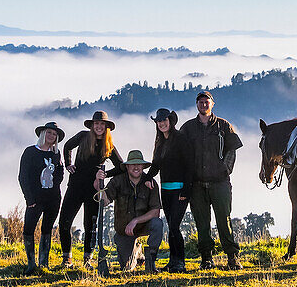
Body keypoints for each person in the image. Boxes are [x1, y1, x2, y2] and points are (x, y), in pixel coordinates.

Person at [180, 91, 243, 270]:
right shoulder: (188, 128)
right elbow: (181, 153)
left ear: (212, 104)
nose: (203, 105)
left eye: (206, 102)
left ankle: (232, 257)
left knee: (224, 220)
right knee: (202, 223)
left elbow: (232, 150)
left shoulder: (224, 126)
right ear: (196, 105)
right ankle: (206, 258)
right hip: (197, 184)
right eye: (200, 102)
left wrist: (225, 169)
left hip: (220, 183)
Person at [58, 110, 124, 268]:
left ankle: (87, 260)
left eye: (102, 124)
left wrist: (105, 174)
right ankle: (67, 258)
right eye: (97, 123)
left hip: (94, 189)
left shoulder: (109, 145)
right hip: (75, 185)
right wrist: (68, 163)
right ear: (92, 125)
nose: (99, 126)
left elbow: (121, 166)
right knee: (64, 221)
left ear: (106, 126)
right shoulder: (83, 136)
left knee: (90, 225)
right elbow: (67, 146)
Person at [93, 150, 165, 272]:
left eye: (138, 164)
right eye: (132, 164)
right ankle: (137, 252)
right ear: (127, 166)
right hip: (124, 230)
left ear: (143, 166)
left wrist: (135, 221)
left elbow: (155, 212)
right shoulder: (117, 181)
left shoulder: (151, 183)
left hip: (143, 225)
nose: (136, 167)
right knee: (127, 267)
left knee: (157, 223)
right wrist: (97, 181)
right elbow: (104, 201)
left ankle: (150, 261)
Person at [146, 108, 194, 272]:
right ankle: (173, 262)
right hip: (165, 191)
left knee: (174, 226)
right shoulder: (160, 143)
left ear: (170, 121)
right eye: (159, 121)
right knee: (171, 226)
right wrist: (146, 178)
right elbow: (156, 166)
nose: (162, 123)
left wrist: (186, 190)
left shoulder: (181, 139)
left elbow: (189, 166)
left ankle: (180, 261)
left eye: (164, 120)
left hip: (180, 190)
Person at [18, 121, 65, 272]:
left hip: (53, 198)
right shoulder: (30, 152)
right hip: (35, 199)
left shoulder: (56, 155)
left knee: (47, 229)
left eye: (55, 134)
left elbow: (59, 176)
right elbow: (23, 177)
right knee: (29, 229)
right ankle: (31, 264)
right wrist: (29, 199)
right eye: (49, 132)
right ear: (43, 134)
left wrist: (60, 169)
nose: (51, 136)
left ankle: (44, 264)